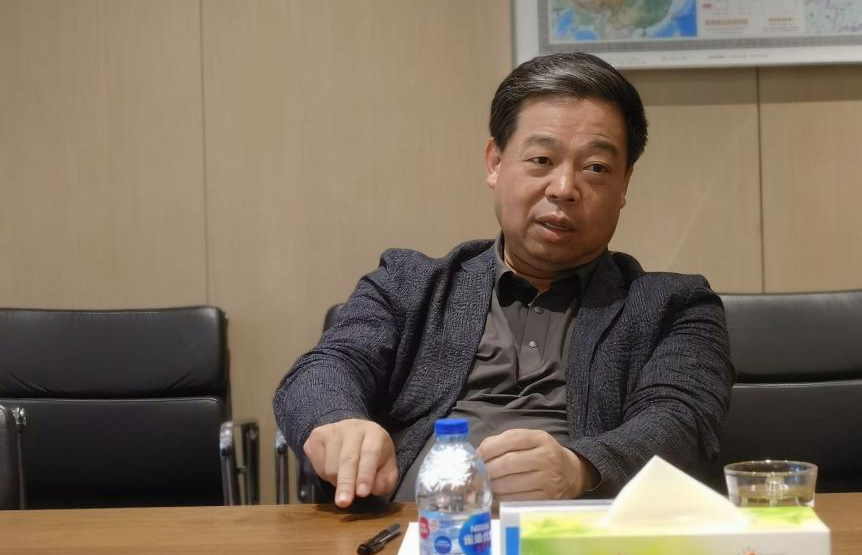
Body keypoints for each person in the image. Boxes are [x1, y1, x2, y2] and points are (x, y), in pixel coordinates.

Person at [273, 52, 733, 507]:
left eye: (596, 167)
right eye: (541, 159)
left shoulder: (675, 306)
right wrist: (337, 421)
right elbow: (327, 367)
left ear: (624, 183)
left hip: (585, 540)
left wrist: (581, 468)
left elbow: (682, 421)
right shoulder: (407, 284)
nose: (564, 188)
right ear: (495, 162)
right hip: (414, 535)